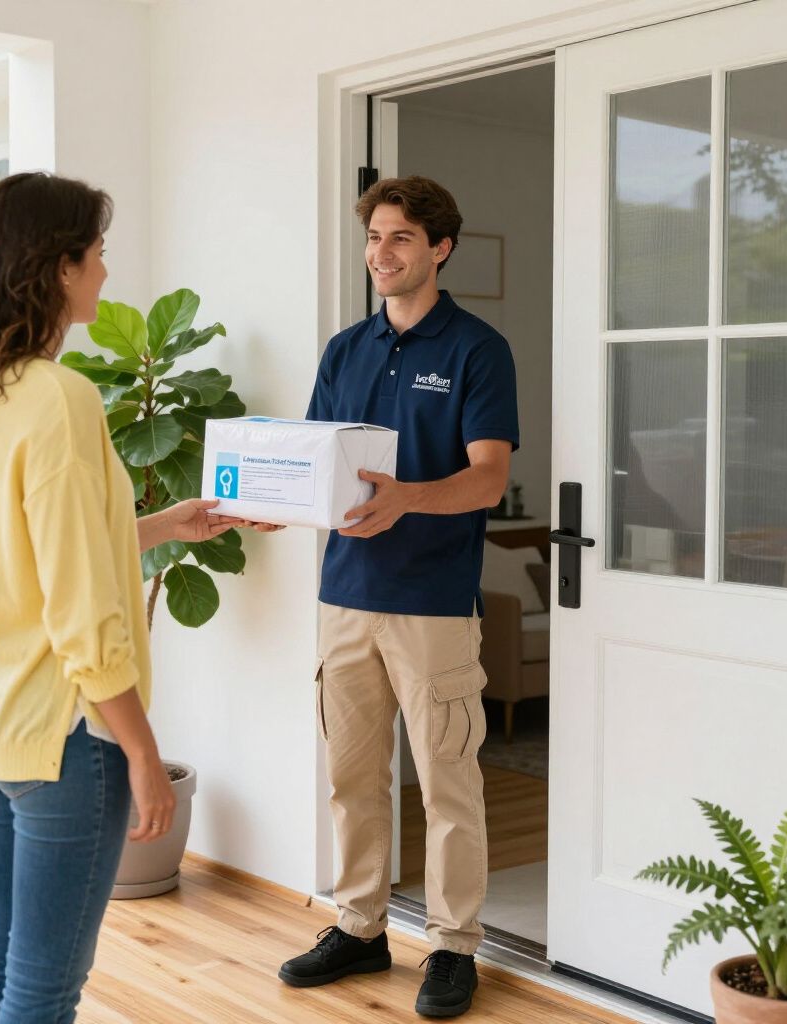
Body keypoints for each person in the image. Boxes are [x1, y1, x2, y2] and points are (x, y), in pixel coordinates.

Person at [0, 171, 244, 1024]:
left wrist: (163, 524)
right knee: (45, 985)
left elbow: (22, 553)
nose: (104, 270)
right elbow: (79, 605)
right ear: (57, 268)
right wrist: (139, 748)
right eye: (95, 254)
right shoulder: (60, 398)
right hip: (66, 739)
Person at [279, 176, 519, 1019]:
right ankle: (360, 926)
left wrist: (409, 498)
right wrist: (278, 507)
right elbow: (315, 460)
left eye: (402, 239)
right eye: (375, 238)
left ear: (439, 248)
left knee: (448, 781)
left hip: (432, 603)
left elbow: (489, 477)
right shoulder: (345, 350)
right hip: (343, 593)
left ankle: (454, 947)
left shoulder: (477, 350)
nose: (383, 254)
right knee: (352, 778)